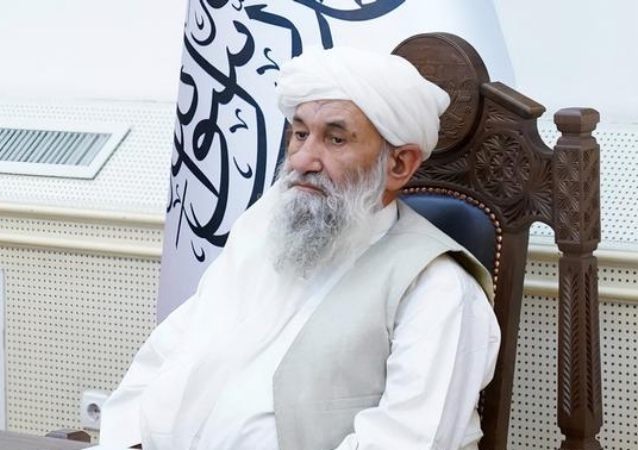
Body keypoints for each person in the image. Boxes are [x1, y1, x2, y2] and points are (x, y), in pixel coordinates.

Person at [100, 46, 501, 450]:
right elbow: (165, 356)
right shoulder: (263, 237)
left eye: (335, 139)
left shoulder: (439, 289)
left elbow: (408, 440)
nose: (302, 160)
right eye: (300, 134)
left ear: (398, 164)